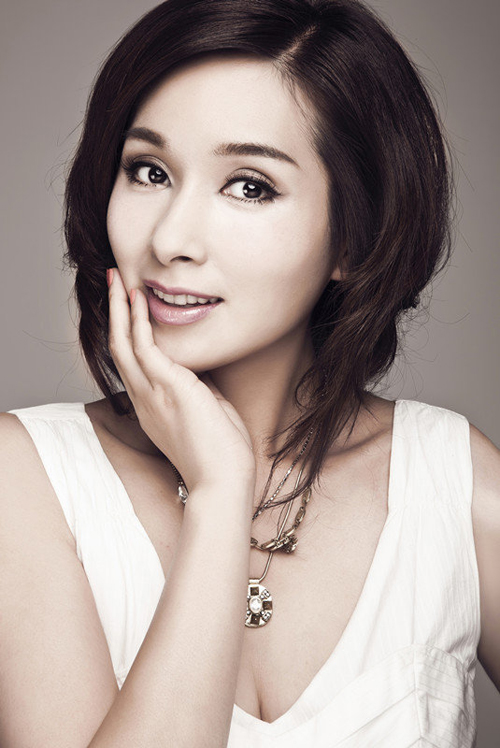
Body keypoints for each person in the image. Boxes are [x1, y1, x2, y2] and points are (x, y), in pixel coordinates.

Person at [0, 0, 498, 745]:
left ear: (354, 239)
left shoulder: (455, 487)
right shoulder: (25, 480)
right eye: (148, 171)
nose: (171, 239)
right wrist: (218, 492)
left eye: (250, 186)